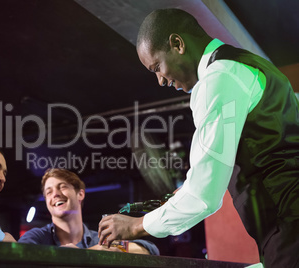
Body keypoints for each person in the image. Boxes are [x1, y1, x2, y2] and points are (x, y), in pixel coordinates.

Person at [98, 8, 299, 268]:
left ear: (177, 44)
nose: (160, 80)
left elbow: (204, 194)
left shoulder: (218, 79)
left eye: (157, 67)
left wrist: (137, 225)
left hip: (290, 227)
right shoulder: (252, 66)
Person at [19, 168, 159, 255]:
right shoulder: (37, 237)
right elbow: (18, 256)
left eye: (62, 187)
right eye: (49, 192)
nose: (55, 194)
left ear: (80, 194)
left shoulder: (100, 239)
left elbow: (150, 250)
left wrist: (106, 249)